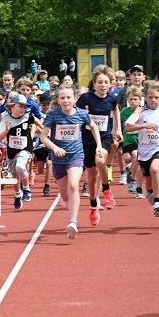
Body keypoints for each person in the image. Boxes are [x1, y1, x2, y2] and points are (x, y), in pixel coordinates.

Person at [40, 87, 96, 239]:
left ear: (74, 99)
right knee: (65, 196)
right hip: (58, 159)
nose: (65, 101)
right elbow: (43, 137)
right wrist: (55, 147)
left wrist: (99, 146)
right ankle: (65, 200)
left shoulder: (82, 114)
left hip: (76, 156)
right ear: (58, 100)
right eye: (62, 98)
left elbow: (93, 126)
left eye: (68, 97)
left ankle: (73, 222)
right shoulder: (53, 114)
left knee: (73, 185)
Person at [75, 66, 121, 227]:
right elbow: (76, 116)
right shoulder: (85, 99)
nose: (103, 85)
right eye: (100, 82)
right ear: (94, 84)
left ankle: (107, 190)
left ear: (110, 85)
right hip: (87, 139)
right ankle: (94, 206)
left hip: (105, 136)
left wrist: (118, 129)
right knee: (92, 176)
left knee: (101, 160)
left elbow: (116, 111)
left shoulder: (112, 99)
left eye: (106, 82)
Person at [125, 83, 159, 216]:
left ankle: (157, 201)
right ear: (146, 98)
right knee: (148, 184)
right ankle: (153, 199)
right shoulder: (140, 112)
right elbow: (128, 128)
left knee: (155, 169)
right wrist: (143, 126)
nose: (153, 100)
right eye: (150, 97)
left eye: (156, 97)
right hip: (144, 151)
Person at [0, 94, 36, 210]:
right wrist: (6, 130)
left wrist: (32, 135)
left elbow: (37, 125)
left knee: (20, 166)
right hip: (12, 149)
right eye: (20, 106)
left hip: (25, 148)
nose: (23, 109)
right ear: (12, 106)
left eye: (25, 107)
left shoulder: (28, 116)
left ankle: (26, 188)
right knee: (15, 175)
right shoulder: (6, 118)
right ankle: (17, 194)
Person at [119, 86, 144, 198]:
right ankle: (130, 170)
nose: (133, 101)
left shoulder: (143, 111)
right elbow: (118, 123)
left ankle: (133, 181)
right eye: (131, 99)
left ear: (140, 99)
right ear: (127, 100)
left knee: (135, 156)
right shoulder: (124, 111)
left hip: (138, 141)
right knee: (128, 159)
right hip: (127, 141)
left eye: (135, 99)